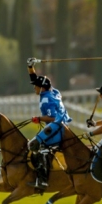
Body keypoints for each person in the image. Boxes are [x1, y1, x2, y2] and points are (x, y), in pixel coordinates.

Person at [26, 57, 72, 190]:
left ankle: (43, 181)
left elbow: (52, 118)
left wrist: (39, 119)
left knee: (37, 147)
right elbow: (36, 79)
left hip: (57, 128)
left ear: (42, 88)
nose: (34, 88)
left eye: (36, 86)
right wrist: (30, 67)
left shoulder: (47, 99)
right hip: (60, 126)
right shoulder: (53, 91)